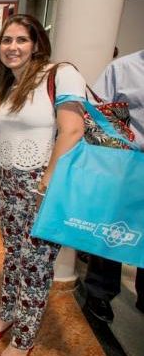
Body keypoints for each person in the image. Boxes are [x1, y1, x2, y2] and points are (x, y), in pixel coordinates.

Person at [0, 14, 85, 355]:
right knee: (13, 255)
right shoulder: (9, 84)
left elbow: (73, 130)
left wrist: (46, 183)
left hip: (44, 184)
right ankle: (9, 313)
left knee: (36, 264)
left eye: (21, 40)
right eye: (7, 40)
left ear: (37, 44)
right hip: (11, 182)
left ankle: (24, 339)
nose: (13, 47)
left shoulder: (60, 74)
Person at [83, 49, 144, 322]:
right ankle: (99, 292)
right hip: (127, 160)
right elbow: (96, 113)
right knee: (113, 228)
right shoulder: (122, 69)